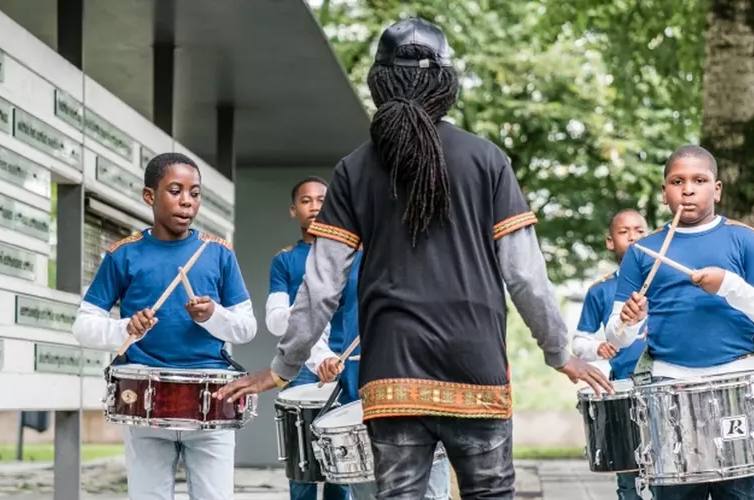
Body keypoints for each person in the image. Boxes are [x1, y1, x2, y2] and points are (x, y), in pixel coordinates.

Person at [215, 17, 611, 500]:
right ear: (445, 83)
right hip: (476, 369)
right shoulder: (487, 160)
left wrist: (282, 366)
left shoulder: (354, 169)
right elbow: (526, 276)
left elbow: (321, 286)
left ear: (379, 82)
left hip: (391, 374)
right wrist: (558, 352)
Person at [605, 145, 754, 500]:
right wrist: (628, 322)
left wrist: (730, 285)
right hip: (669, 388)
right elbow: (616, 336)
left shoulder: (745, 240)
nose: (688, 189)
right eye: (677, 181)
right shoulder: (642, 251)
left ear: (717, 189)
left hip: (737, 386)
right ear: (665, 192)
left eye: (699, 180)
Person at [72, 152, 257, 500]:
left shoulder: (217, 253)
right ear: (149, 196)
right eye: (175, 190)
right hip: (144, 395)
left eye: (195, 192)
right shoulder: (123, 255)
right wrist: (126, 327)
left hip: (211, 396)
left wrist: (213, 315)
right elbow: (83, 326)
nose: (187, 201)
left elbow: (247, 328)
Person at [270, 178, 452, 499]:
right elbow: (317, 320)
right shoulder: (344, 261)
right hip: (355, 386)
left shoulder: (427, 254)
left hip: (418, 388)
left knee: (430, 489)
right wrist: (319, 356)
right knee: (351, 479)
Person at [267, 176, 350, 500]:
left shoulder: (353, 255)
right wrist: (306, 311)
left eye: (321, 199)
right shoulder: (285, 260)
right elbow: (275, 320)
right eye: (306, 200)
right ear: (293, 210)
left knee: (342, 465)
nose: (315, 206)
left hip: (346, 364)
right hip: (301, 367)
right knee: (301, 465)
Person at [570, 209, 648, 500]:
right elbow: (579, 343)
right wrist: (597, 348)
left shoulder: (671, 282)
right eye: (624, 232)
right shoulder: (600, 291)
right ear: (610, 242)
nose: (633, 237)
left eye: (640, 230)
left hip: (670, 385)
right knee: (630, 475)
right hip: (625, 388)